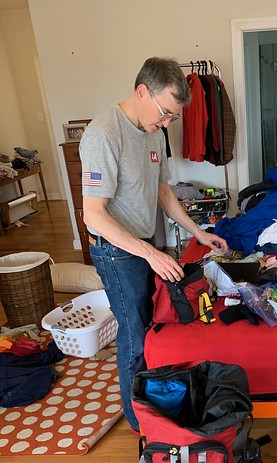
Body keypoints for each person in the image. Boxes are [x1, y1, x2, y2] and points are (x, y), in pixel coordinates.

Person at [79, 57, 228, 432]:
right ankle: (139, 423)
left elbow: (163, 192)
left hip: (142, 243)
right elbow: (93, 215)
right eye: (165, 113)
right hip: (115, 251)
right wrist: (151, 253)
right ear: (142, 91)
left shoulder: (154, 134)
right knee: (134, 332)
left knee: (151, 324)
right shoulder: (103, 134)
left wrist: (197, 232)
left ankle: (151, 398)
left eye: (172, 118)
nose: (166, 123)